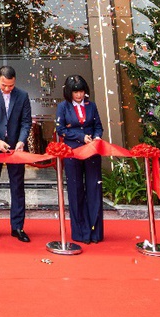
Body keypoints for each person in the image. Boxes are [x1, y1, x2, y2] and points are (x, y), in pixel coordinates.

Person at [0, 65, 32, 243]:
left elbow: (26, 122)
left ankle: (17, 227)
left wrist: (21, 140)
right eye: (4, 85)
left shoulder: (22, 96)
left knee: (17, 186)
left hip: (16, 147)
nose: (7, 88)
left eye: (11, 85)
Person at [55, 75, 104, 244]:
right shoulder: (63, 107)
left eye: (81, 91)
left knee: (94, 189)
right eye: (75, 92)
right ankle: (80, 232)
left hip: (92, 152)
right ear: (69, 93)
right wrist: (80, 137)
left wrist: (97, 137)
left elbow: (98, 126)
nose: (79, 95)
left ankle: (95, 232)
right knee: (75, 191)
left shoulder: (92, 106)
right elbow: (61, 130)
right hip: (73, 152)